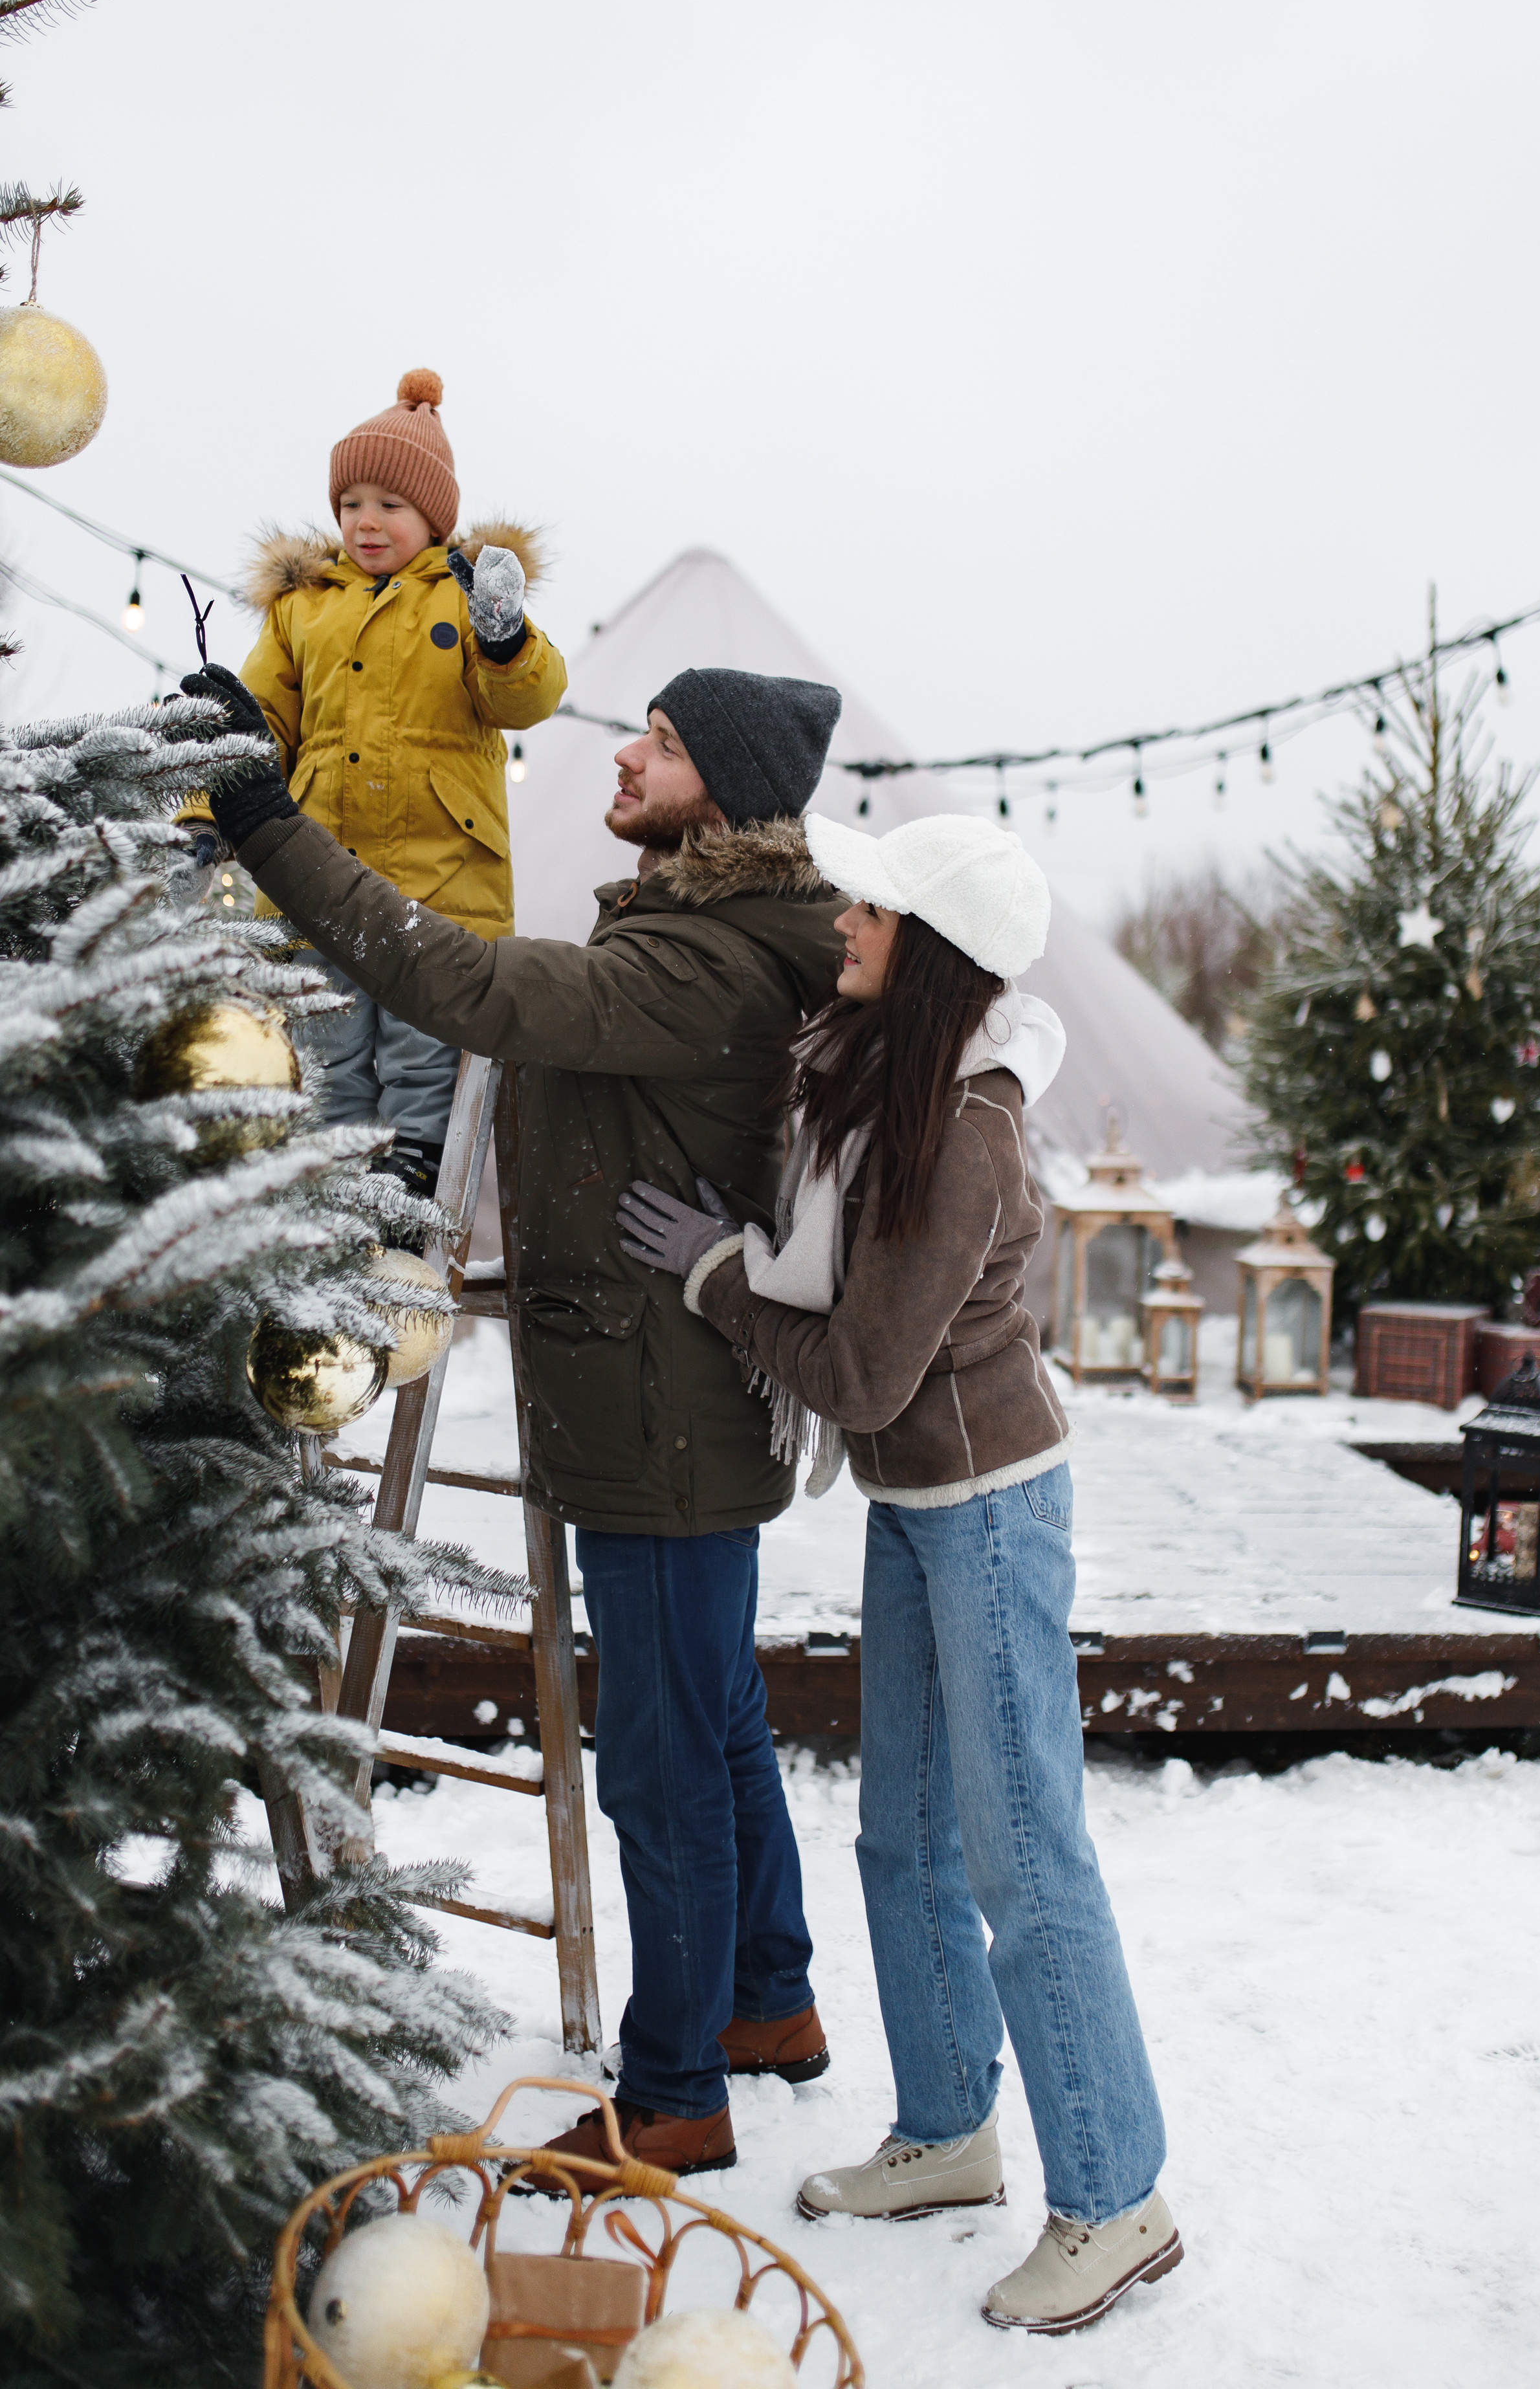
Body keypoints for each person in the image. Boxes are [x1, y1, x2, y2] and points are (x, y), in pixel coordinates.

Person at [184, 656, 848, 2178]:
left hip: (656, 1416)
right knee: (718, 1713)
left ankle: (674, 2092)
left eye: (663, 744)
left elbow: (463, 984)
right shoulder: (710, 928)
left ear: (726, 795)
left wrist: (267, 818)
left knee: (664, 1757)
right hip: (659, 1398)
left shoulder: (705, 963)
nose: (623, 754)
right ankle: (766, 1996)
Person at [617, 811, 1180, 2337]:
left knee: (1021, 1855)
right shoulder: (890, 1083)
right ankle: (943, 2131)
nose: (844, 924)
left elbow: (862, 1369)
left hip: (987, 1508)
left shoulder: (966, 1129)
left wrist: (716, 1278)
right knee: (901, 1838)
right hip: (918, 1504)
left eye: (870, 910)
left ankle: (1113, 2195)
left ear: (929, 949)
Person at [185, 369, 568, 1198]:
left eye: (390, 505)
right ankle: (338, 1166)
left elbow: (526, 698)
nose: (366, 521)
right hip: (316, 871)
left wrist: (504, 637)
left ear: (434, 518)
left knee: (423, 1039)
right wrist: (200, 810)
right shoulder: (302, 608)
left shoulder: (467, 599)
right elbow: (262, 724)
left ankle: (414, 1167)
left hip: (439, 880)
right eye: (351, 502)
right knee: (327, 1038)